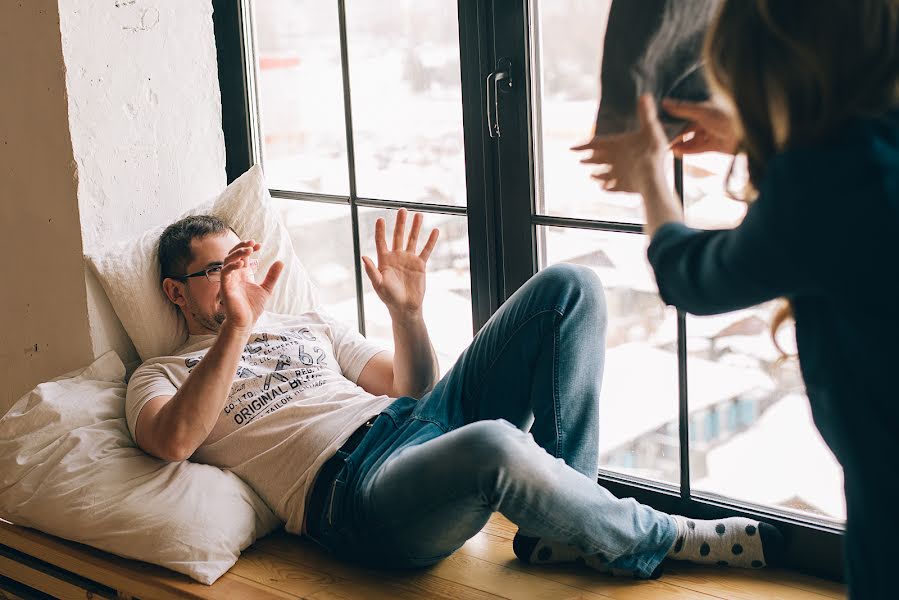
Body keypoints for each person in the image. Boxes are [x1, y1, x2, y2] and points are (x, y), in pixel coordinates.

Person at [126, 208, 783, 580]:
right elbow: (175, 440)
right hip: (357, 494)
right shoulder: (158, 376)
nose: (230, 281)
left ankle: (567, 528)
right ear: (174, 291)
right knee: (495, 444)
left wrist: (407, 313)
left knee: (569, 286)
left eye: (235, 263)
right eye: (212, 271)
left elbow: (411, 385)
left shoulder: (306, 324)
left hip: (417, 423)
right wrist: (238, 326)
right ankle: (650, 535)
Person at [572, 1, 899, 596]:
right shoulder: (875, 144)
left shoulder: (828, 183)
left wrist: (650, 173)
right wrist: (752, 131)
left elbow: (694, 277)